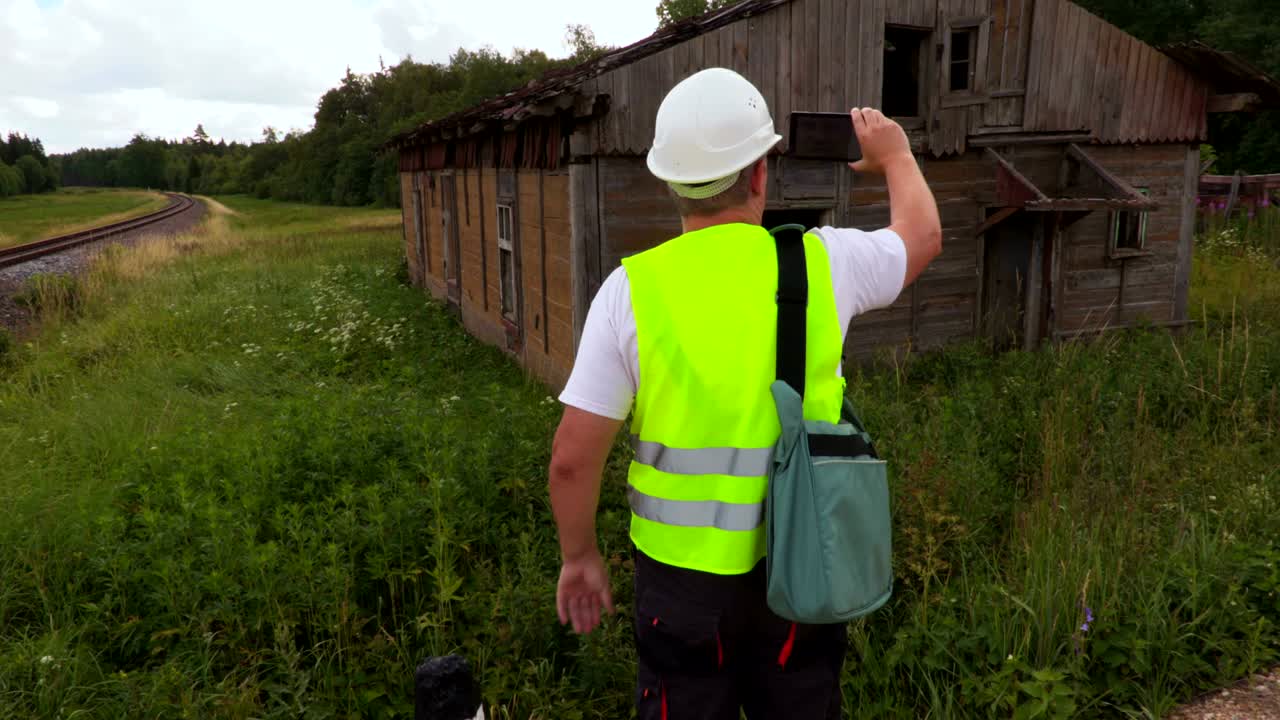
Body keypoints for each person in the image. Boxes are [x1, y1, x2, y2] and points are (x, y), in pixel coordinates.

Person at [547, 67, 942, 718]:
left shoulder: (630, 292)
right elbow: (922, 237)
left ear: (671, 182)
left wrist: (581, 556)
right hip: (800, 568)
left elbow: (571, 458)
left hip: (680, 587)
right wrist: (895, 154)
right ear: (761, 172)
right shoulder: (824, 262)